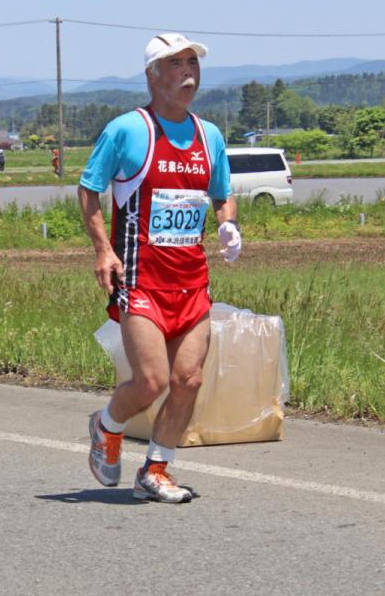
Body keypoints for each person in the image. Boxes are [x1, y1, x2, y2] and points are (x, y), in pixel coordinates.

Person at [78, 33, 240, 504]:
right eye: (177, 63)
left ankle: (156, 468)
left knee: (188, 380)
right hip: (141, 278)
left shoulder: (209, 135)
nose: (189, 71)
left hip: (192, 282)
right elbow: (89, 189)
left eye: (193, 62)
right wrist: (103, 250)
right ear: (153, 74)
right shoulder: (128, 130)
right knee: (151, 382)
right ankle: (106, 425)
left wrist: (228, 225)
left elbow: (222, 192)